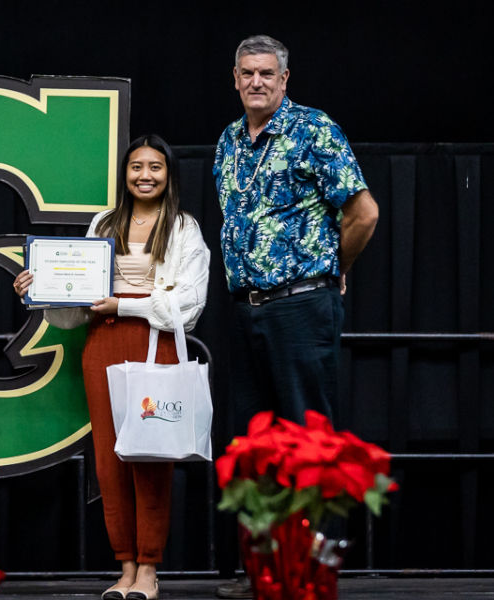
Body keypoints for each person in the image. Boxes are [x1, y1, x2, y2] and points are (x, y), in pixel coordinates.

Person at [212, 35, 379, 598]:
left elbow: (363, 212)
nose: (256, 82)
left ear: (285, 80)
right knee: (252, 444)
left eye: (267, 73)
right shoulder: (228, 141)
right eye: (247, 73)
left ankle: (313, 569)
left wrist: (335, 269)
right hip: (244, 311)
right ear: (234, 79)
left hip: (302, 306)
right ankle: (264, 571)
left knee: (311, 441)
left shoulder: (313, 129)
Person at [14, 135, 210, 600]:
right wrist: (38, 289)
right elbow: (78, 301)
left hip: (155, 344)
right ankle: (124, 567)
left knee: (151, 458)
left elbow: (190, 303)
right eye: (136, 166)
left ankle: (149, 570)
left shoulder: (183, 227)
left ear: (169, 174)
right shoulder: (104, 222)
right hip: (101, 345)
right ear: (124, 174)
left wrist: (124, 305)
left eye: (155, 167)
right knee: (109, 460)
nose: (145, 175)